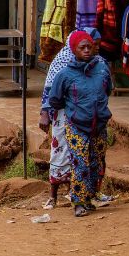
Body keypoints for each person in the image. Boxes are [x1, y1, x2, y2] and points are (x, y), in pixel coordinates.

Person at [47, 30, 113, 218]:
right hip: (77, 125)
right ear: (73, 50)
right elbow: (55, 99)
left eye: (89, 47)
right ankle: (78, 202)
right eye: (81, 47)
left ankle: (89, 198)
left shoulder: (102, 69)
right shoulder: (65, 74)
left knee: (96, 163)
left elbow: (107, 90)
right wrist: (73, 110)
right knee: (80, 163)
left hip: (99, 124)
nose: (86, 50)